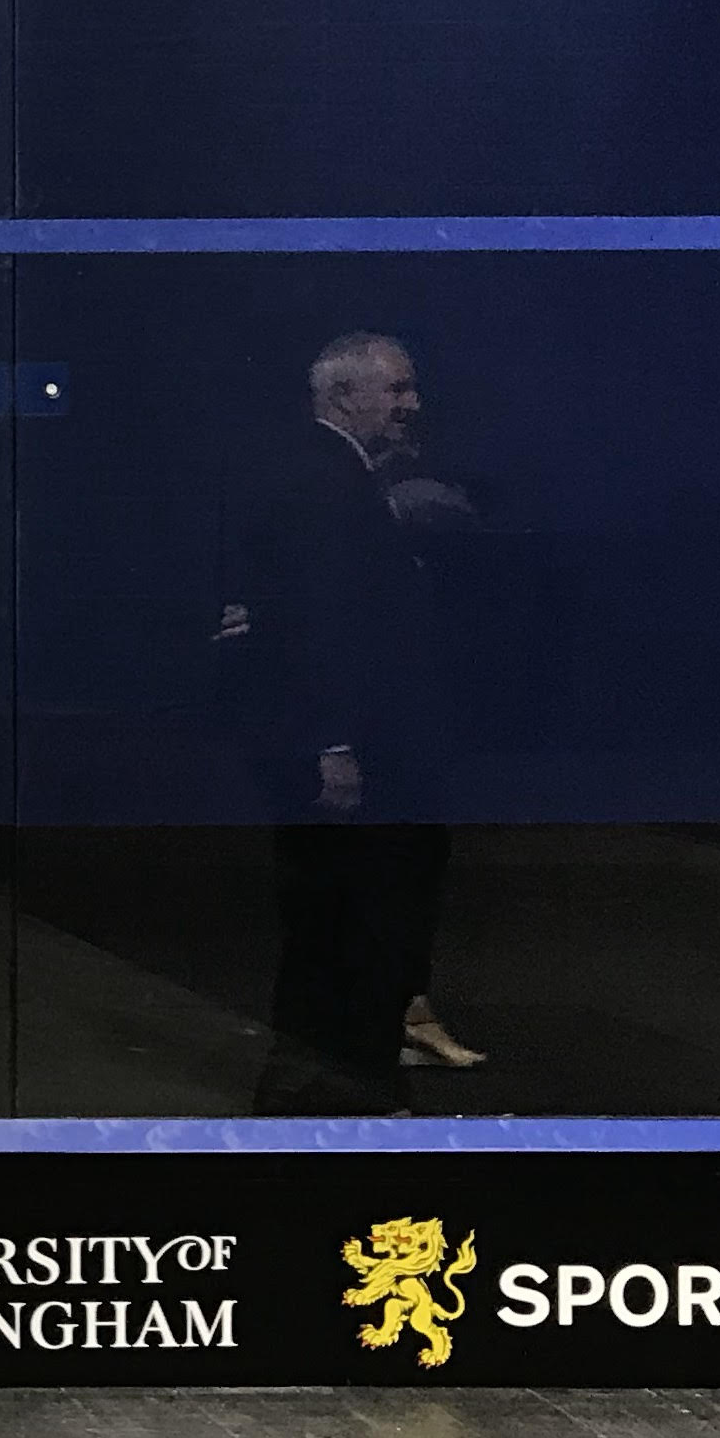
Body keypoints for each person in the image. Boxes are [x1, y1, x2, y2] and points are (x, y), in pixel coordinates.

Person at [222, 333, 464, 1110]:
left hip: (329, 734)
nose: (411, 404)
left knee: (328, 913)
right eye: (396, 390)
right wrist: (331, 741)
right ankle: (347, 1080)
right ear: (343, 395)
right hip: (356, 741)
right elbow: (320, 625)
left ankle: (315, 1075)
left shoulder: (316, 477)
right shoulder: (328, 488)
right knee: (362, 914)